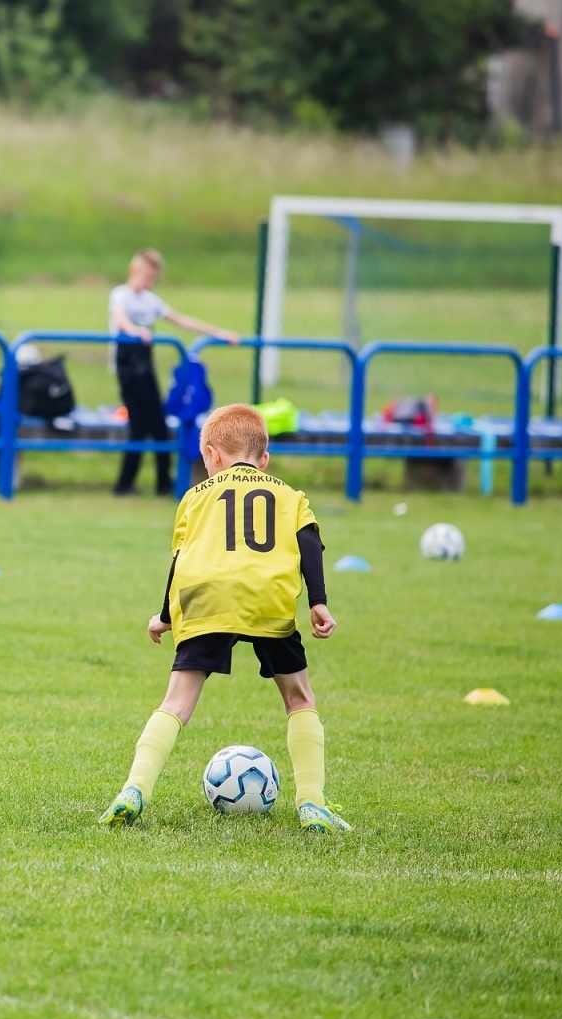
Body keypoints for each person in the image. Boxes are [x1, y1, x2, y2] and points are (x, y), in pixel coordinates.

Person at [99, 403, 351, 835]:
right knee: (299, 698)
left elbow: (180, 560)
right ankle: (312, 803)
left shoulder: (194, 497)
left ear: (211, 456)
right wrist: (318, 602)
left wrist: (164, 616)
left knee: (176, 702)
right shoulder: (290, 496)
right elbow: (308, 543)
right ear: (265, 459)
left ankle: (134, 789)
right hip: (267, 596)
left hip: (207, 597)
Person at [108, 248, 239, 496]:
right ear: (134, 271)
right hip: (127, 370)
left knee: (158, 425)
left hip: (145, 368)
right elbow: (120, 318)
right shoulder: (121, 295)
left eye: (152, 278)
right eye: (146, 276)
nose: (148, 282)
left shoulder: (150, 301)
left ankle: (163, 483)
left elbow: (182, 321)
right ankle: (124, 485)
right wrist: (135, 331)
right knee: (138, 426)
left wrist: (219, 333)